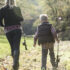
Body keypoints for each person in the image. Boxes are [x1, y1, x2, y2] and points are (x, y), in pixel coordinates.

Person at [0, 0, 23, 70]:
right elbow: (21, 19)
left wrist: (3, 25)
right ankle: (15, 64)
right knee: (16, 46)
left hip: (8, 30)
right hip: (17, 29)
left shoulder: (2, 9)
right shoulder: (17, 8)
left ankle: (15, 63)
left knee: (12, 46)